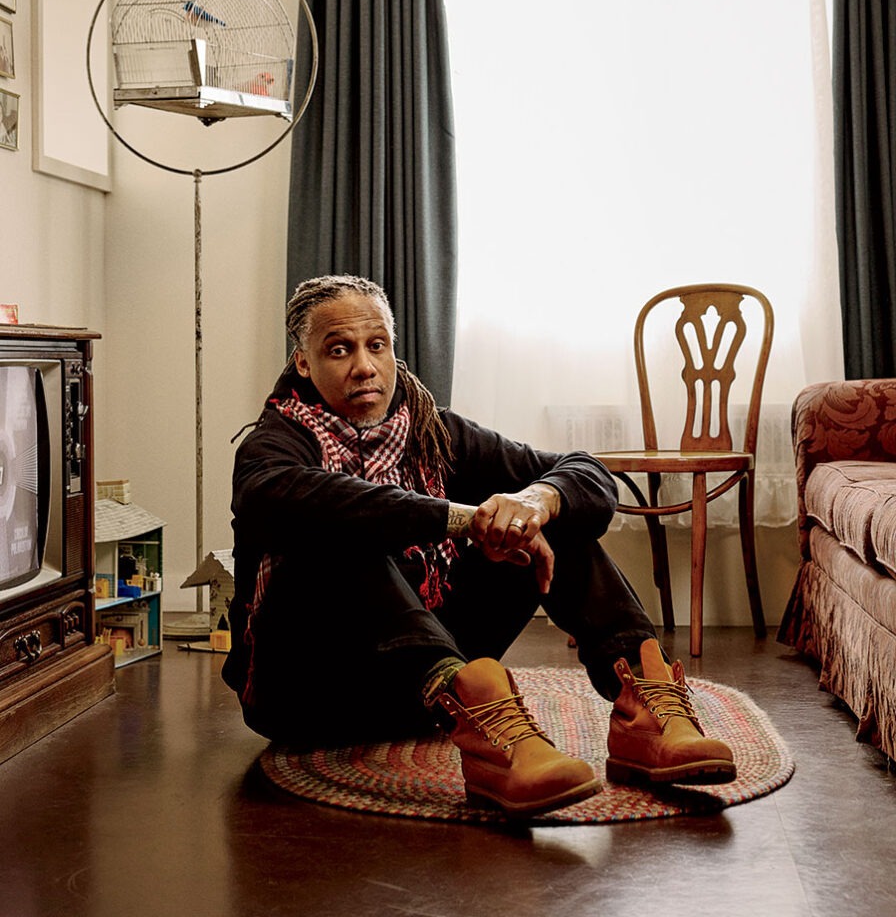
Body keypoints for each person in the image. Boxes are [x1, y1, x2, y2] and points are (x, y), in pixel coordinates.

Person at [223, 275, 735, 817]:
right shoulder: (273, 444)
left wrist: (534, 504)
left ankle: (645, 711)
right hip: (310, 694)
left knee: (550, 520)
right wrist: (466, 521)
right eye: (339, 350)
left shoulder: (432, 432)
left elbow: (588, 474)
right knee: (338, 529)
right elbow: (287, 497)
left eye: (377, 345)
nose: (365, 367)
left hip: (423, 695)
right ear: (303, 363)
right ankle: (491, 730)